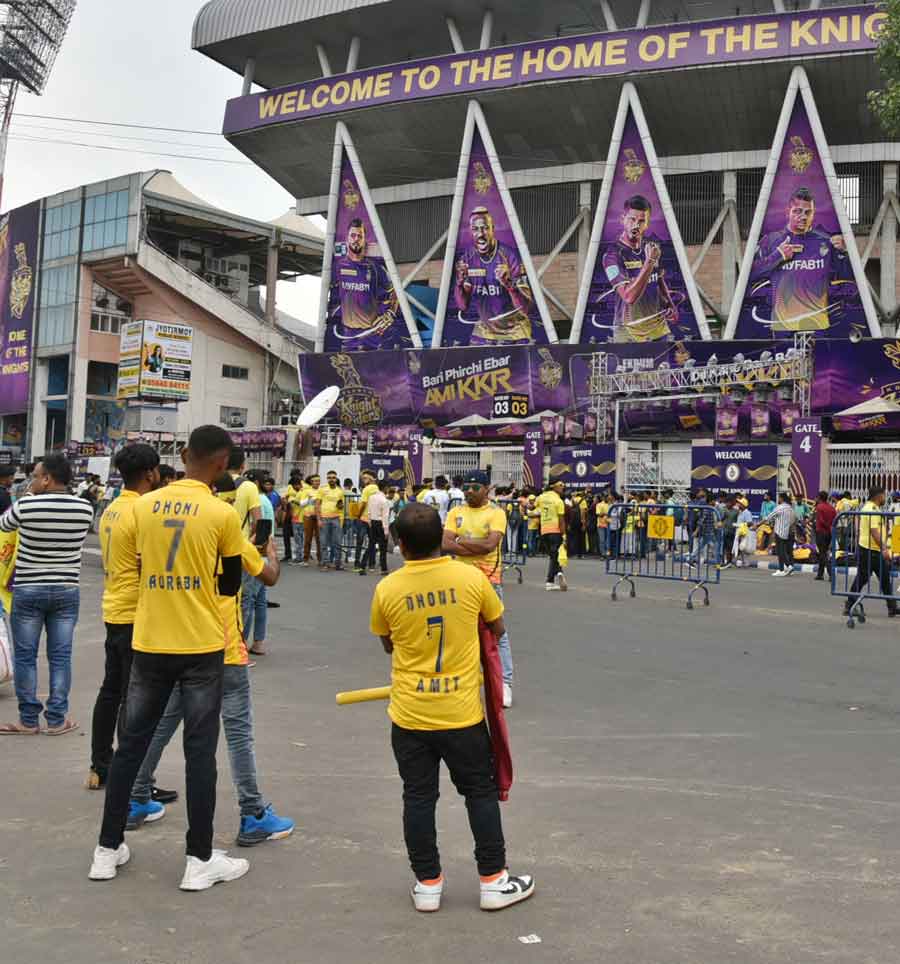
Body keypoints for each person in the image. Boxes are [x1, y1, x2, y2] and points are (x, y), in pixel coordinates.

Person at [88, 426, 256, 889]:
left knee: (131, 748)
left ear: (181, 456)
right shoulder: (222, 514)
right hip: (202, 646)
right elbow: (230, 585)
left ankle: (106, 849)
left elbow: (134, 566)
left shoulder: (140, 508)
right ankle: (198, 861)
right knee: (200, 753)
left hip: (148, 642)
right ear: (223, 465)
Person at [370, 503, 534, 913]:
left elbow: (388, 641)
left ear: (400, 543)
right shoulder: (470, 579)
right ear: (441, 536)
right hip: (461, 713)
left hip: (409, 714)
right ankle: (494, 880)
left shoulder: (387, 588)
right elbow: (497, 627)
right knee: (479, 793)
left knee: (418, 796)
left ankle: (427, 883)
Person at [126, 473, 292, 848]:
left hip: (176, 641)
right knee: (237, 730)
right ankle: (253, 813)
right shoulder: (227, 531)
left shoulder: (168, 525)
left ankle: (135, 796)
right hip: (222, 647)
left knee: (164, 721)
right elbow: (268, 577)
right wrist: (270, 555)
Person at [87, 443, 172, 794]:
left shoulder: (111, 510)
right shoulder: (144, 510)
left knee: (111, 691)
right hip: (138, 611)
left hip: (114, 607)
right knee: (134, 699)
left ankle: (100, 766)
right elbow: (145, 561)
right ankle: (133, 780)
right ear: (151, 473)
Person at [0, 454, 94, 736]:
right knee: (61, 655)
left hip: (28, 590)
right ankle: (56, 719)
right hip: (67, 591)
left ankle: (28, 721)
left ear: (47, 478)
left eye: (36, 476)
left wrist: (28, 496)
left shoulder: (26, 504)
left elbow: (4, 525)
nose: (32, 480)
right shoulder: (85, 508)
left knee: (27, 656)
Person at [442, 471, 515, 708]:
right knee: (459, 632)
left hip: (488, 580)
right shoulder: (456, 512)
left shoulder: (496, 513)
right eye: (466, 487)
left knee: (497, 632)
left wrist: (460, 542)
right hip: (459, 581)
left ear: (487, 489)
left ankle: (504, 683)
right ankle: (462, 683)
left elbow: (489, 545)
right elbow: (444, 544)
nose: (469, 491)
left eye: (475, 487)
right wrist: (473, 545)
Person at [748, 187, 852, 332]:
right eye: (797, 211)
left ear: (813, 214)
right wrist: (777, 256)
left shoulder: (826, 241)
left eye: (808, 212)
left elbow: (848, 277)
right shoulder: (770, 241)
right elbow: (748, 276)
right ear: (787, 212)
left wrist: (845, 252)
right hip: (782, 328)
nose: (803, 216)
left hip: (818, 327)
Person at [603, 195, 679, 342]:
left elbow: (659, 279)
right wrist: (649, 262)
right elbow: (628, 297)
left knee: (665, 365)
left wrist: (671, 304)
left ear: (647, 224)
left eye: (641, 221)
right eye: (632, 219)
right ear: (623, 219)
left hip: (657, 327)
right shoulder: (612, 255)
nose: (636, 225)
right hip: (629, 331)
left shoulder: (652, 247)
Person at [454, 206, 534, 344]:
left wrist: (510, 285)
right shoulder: (467, 258)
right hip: (485, 331)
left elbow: (525, 308)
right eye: (475, 229)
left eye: (484, 228)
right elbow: (463, 306)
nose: (480, 234)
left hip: (515, 331)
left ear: (492, 228)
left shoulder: (510, 256)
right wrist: (459, 282)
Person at [845, 485, 897, 618]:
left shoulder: (870, 507)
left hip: (871, 549)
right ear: (878, 496)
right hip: (870, 550)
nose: (885, 497)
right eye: (884, 495)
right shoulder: (872, 509)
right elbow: (874, 531)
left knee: (883, 578)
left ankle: (892, 607)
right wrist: (884, 548)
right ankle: (849, 605)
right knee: (863, 578)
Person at [241, 470, 274, 656]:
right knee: (259, 600)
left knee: (248, 599)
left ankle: (242, 643)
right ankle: (259, 642)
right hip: (263, 553)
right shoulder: (265, 500)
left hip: (255, 553)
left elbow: (258, 525)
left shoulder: (258, 501)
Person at [535, 481, 567, 591]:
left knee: (553, 556)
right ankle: (551, 580)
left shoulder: (541, 497)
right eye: (561, 485)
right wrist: (563, 535)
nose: (563, 487)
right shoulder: (558, 501)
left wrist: (527, 505)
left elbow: (531, 507)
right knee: (554, 556)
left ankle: (556, 575)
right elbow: (561, 520)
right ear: (554, 487)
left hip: (544, 530)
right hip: (555, 531)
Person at [317, 470, 345, 570]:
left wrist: (341, 518)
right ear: (327, 479)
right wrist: (318, 519)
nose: (331, 479)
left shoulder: (340, 491)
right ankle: (325, 563)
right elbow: (317, 504)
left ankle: (338, 564)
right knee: (323, 542)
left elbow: (341, 507)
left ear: (336, 478)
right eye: (329, 477)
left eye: (333, 477)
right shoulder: (322, 489)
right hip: (324, 519)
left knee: (337, 542)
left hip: (336, 519)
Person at [362, 479, 390, 575]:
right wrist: (386, 530)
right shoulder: (385, 500)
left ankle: (362, 565)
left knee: (371, 544)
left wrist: (370, 522)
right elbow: (385, 516)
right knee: (383, 547)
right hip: (380, 523)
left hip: (372, 522)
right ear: (385, 488)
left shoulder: (372, 497)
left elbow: (369, 511)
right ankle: (384, 568)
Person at [764, 492, 796, 577]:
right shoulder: (790, 508)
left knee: (780, 552)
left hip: (779, 532)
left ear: (782, 498)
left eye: (779, 498)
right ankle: (787, 567)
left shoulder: (780, 508)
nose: (778, 500)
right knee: (786, 552)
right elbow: (793, 520)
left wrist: (757, 525)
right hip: (787, 532)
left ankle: (784, 568)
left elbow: (768, 517)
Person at [354, 470, 378, 573]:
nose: (363, 480)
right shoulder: (378, 488)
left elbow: (363, 504)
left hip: (364, 519)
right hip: (373, 519)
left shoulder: (366, 489)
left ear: (372, 478)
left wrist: (358, 515)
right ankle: (372, 564)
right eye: (363, 478)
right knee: (372, 542)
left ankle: (357, 563)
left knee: (360, 541)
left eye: (365, 478)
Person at [814, 491, 837, 581]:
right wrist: (831, 528)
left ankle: (830, 573)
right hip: (829, 533)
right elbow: (835, 520)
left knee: (823, 553)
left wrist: (827, 526)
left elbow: (821, 520)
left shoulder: (819, 507)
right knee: (823, 552)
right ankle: (820, 574)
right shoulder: (832, 508)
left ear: (819, 497)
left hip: (821, 532)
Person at [301, 473, 322, 566]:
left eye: (318, 481)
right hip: (308, 516)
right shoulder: (306, 491)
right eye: (315, 481)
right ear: (311, 482)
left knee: (319, 539)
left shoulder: (322, 491)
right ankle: (305, 559)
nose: (317, 483)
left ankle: (320, 559)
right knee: (308, 538)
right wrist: (310, 499)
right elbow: (301, 504)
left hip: (319, 517)